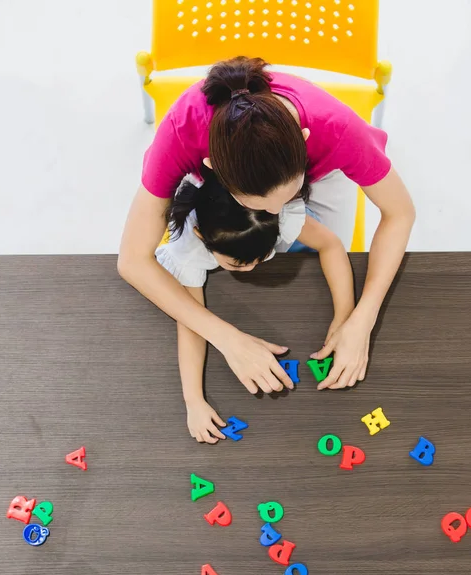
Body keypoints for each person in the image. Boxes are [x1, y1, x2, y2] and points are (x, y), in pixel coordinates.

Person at [118, 56, 415, 394]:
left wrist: (361, 319)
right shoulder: (180, 133)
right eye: (259, 206)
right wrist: (228, 339)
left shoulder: (336, 128)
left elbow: (400, 213)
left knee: (328, 245)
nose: (278, 215)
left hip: (323, 168)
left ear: (304, 140)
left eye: (286, 200)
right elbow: (132, 260)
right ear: (212, 168)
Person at [159, 169, 354, 443]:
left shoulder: (276, 214)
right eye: (238, 264)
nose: (250, 270)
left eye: (261, 259)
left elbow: (331, 245)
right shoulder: (189, 249)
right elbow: (191, 321)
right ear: (202, 237)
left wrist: (345, 318)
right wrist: (193, 400)